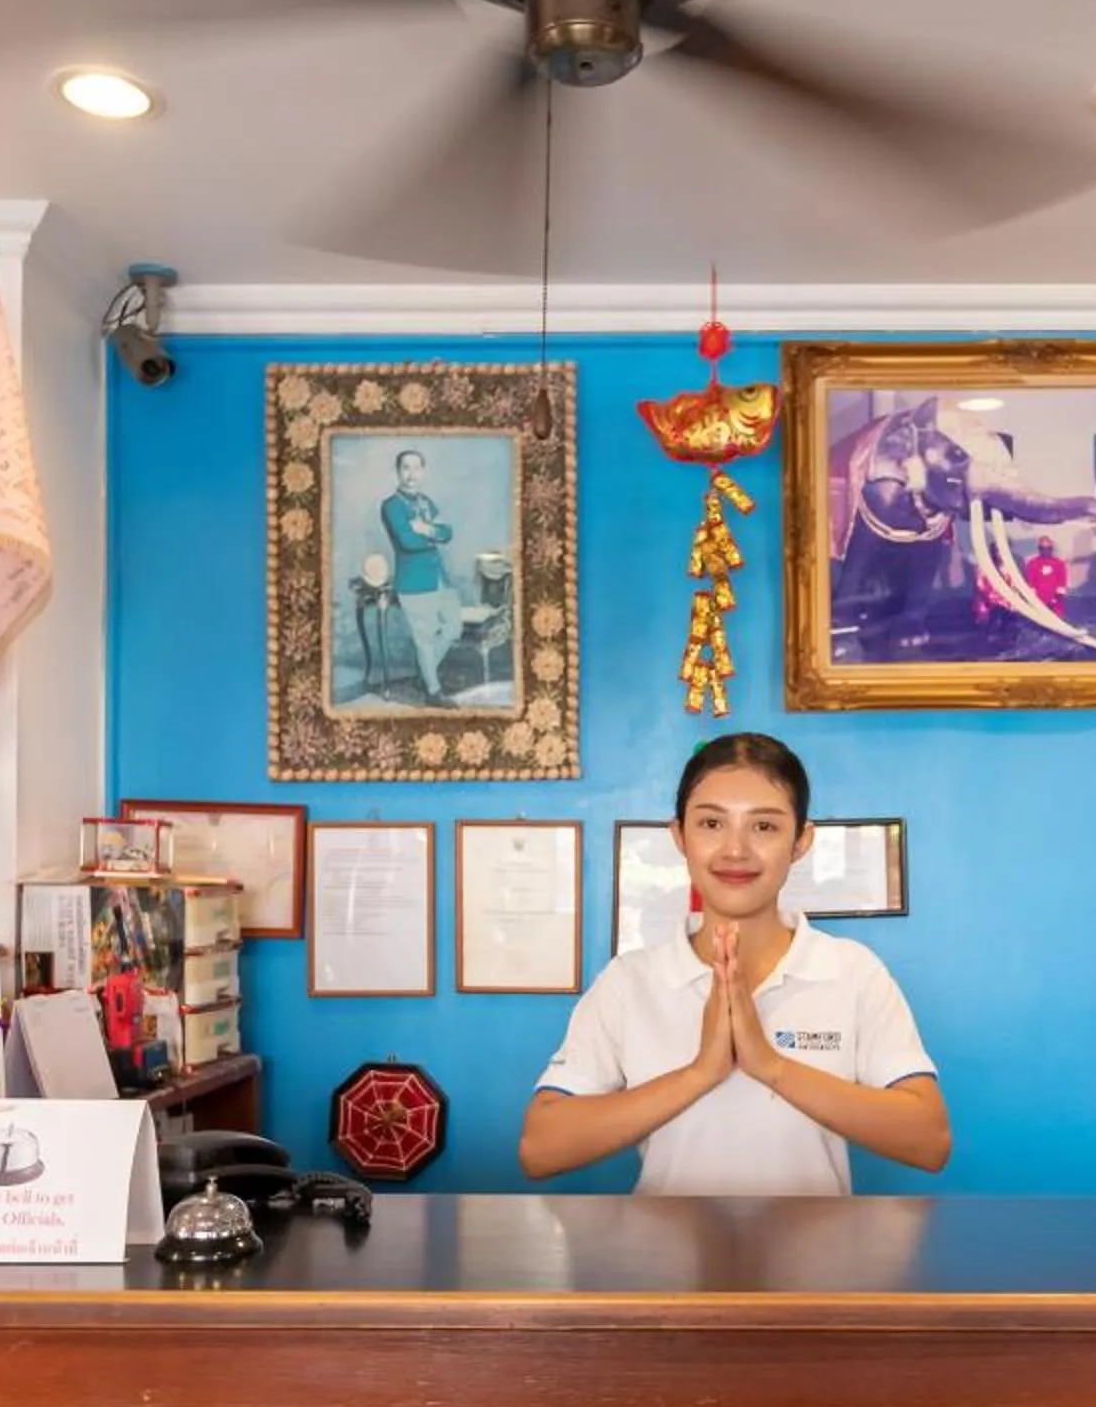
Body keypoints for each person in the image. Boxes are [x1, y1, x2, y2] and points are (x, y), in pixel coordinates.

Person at [519, 734, 950, 1195]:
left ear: (801, 842)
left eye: (764, 827)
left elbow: (929, 1141)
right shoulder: (631, 981)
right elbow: (541, 1148)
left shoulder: (852, 971)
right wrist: (700, 1072)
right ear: (679, 836)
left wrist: (769, 1065)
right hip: (667, 1262)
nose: (735, 851)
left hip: (815, 1264)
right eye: (710, 823)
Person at [381, 449, 461, 704]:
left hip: (439, 578)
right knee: (424, 639)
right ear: (398, 472)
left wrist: (425, 528)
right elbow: (408, 542)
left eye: (416, 468)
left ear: (423, 472)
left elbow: (448, 532)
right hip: (414, 582)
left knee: (453, 628)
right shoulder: (391, 506)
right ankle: (433, 692)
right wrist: (432, 534)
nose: (411, 474)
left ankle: (425, 674)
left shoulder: (427, 502)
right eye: (406, 468)